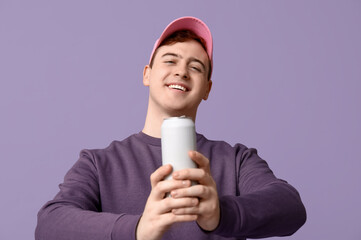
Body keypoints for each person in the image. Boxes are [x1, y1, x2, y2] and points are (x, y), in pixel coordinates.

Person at [35, 16, 306, 240]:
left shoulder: (236, 160)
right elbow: (49, 225)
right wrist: (138, 229)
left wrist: (220, 214)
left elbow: (291, 207)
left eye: (196, 67)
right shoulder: (99, 163)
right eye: (170, 60)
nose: (182, 71)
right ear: (147, 74)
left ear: (207, 89)